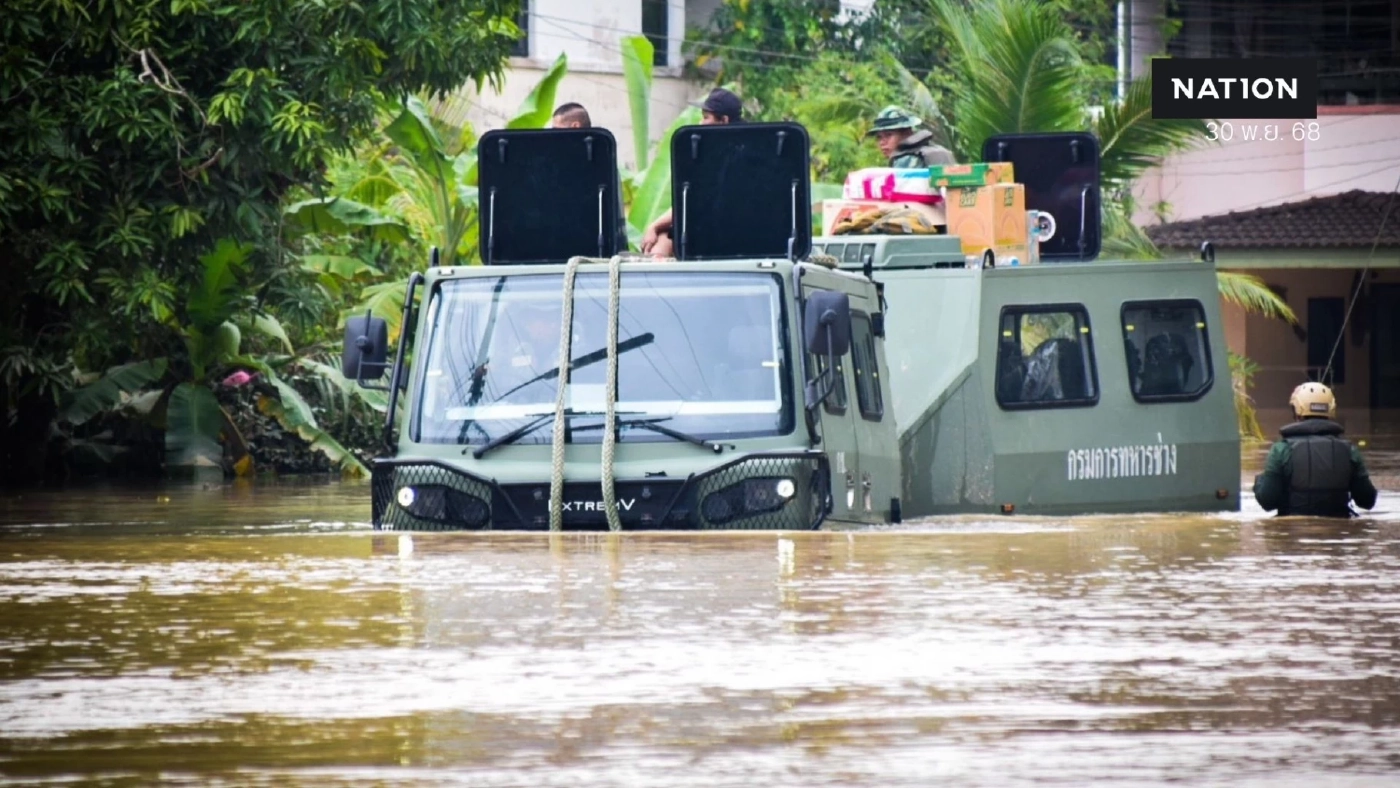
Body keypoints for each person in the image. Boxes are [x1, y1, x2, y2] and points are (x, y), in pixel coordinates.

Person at [640, 88, 744, 258]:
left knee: (658, 250)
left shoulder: (731, 156)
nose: (701, 123)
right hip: (707, 228)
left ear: (724, 120)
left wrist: (654, 226)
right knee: (659, 245)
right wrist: (656, 227)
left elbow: (694, 203)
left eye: (706, 117)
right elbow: (687, 200)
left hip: (722, 232)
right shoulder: (720, 150)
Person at [1252, 382, 1377, 518]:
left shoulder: (1281, 449)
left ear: (1296, 410)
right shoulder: (1350, 451)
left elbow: (1267, 501)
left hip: (1293, 531)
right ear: (1331, 410)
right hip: (1339, 534)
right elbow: (1367, 500)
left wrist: (1259, 482)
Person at [866, 105, 955, 168]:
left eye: (889, 135)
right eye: (879, 137)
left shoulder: (905, 160)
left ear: (907, 133)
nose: (882, 142)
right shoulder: (939, 151)